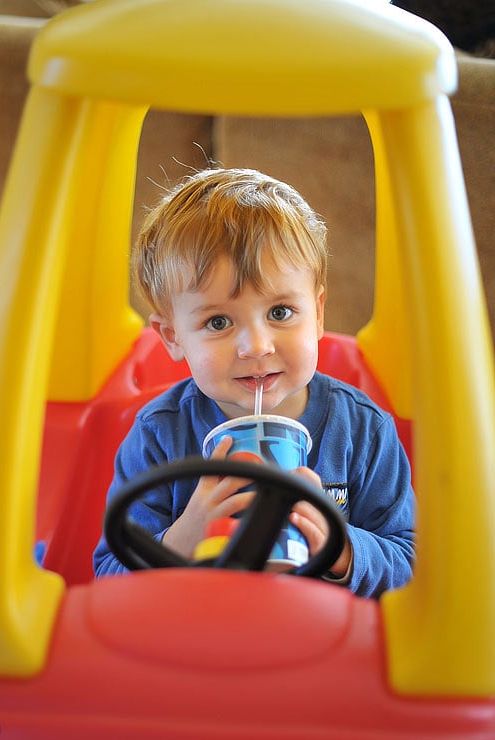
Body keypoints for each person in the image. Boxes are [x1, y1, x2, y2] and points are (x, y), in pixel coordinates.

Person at [93, 167, 415, 598]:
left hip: (321, 642)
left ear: (317, 314)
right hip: (202, 642)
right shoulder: (158, 434)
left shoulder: (363, 430)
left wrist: (342, 547)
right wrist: (180, 542)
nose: (257, 346)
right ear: (173, 337)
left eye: (280, 312)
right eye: (219, 321)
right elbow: (108, 574)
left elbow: (410, 563)